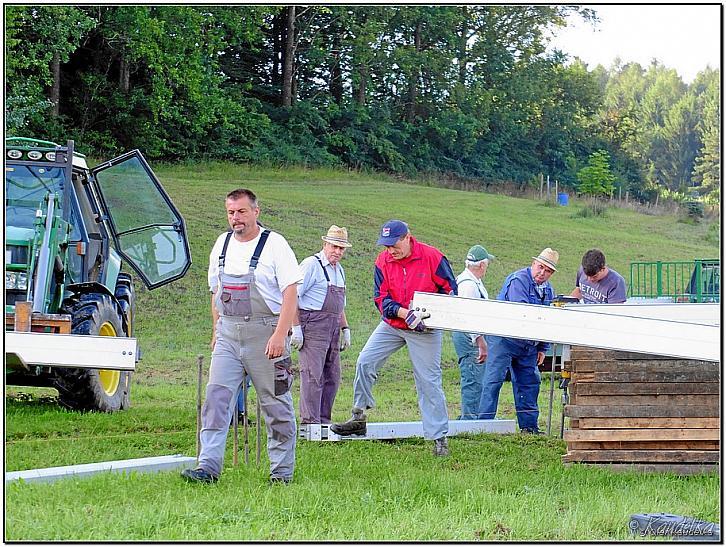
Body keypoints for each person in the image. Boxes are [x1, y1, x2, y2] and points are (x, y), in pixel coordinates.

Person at [182, 188, 302, 484]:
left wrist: (280, 334)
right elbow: (215, 292)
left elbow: (290, 293)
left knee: (276, 404)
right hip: (228, 335)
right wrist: (215, 330)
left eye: (241, 212)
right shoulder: (221, 244)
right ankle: (207, 467)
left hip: (266, 335)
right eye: (231, 212)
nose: (235, 218)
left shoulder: (275, 245)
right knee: (216, 400)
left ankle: (281, 473)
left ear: (256, 212)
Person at [330, 220, 457, 457]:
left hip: (425, 330)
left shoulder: (433, 257)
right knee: (364, 362)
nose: (390, 250)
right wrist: (403, 313)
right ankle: (358, 417)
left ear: (407, 237)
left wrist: (430, 316)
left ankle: (439, 439)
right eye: (386, 246)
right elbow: (381, 298)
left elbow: (451, 291)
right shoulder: (382, 261)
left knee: (428, 381)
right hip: (393, 324)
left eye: (394, 245)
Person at [477, 248, 559, 434]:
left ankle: (529, 426)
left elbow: (547, 318)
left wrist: (542, 347)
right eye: (540, 267)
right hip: (503, 339)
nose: (542, 273)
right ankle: (484, 425)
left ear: (551, 274)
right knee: (493, 380)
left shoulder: (548, 290)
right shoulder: (518, 280)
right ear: (533, 264)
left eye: (547, 271)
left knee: (529, 382)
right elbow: (523, 316)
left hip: (528, 344)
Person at [291, 225, 352, 425]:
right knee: (312, 376)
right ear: (325, 244)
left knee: (332, 377)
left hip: (333, 326)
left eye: (341, 248)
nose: (337, 252)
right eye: (334, 246)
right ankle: (310, 424)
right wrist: (296, 328)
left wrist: (345, 329)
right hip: (313, 326)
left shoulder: (339, 270)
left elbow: (339, 304)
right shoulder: (311, 265)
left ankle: (324, 422)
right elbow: (292, 298)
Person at [452, 244, 494, 420]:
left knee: (475, 378)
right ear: (482, 265)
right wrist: (480, 341)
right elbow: (467, 316)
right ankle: (469, 420)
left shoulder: (466, 281)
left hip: (469, 336)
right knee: (473, 380)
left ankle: (470, 418)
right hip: (469, 338)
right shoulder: (468, 286)